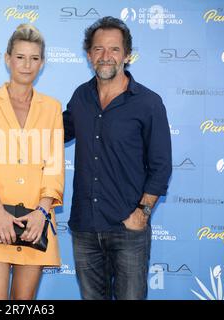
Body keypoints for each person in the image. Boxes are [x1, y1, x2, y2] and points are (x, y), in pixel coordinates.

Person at [63, 16, 172, 300]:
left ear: (127, 55)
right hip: (85, 228)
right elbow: (52, 132)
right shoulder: (80, 97)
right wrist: (12, 108)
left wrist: (143, 212)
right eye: (98, 49)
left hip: (127, 229)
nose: (106, 56)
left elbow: (161, 166)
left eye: (114, 49)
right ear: (89, 55)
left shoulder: (148, 102)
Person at [0, 24, 64, 300]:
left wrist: (41, 213)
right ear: (7, 58)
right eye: (20, 57)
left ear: (42, 63)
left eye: (34, 58)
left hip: (35, 220)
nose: (26, 65)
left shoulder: (52, 107)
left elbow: (54, 166)